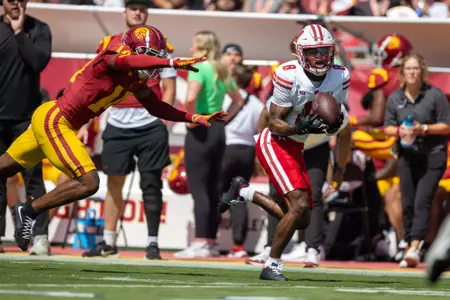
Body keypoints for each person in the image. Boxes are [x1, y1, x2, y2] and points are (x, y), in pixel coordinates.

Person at [3, 24, 226, 252]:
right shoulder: (111, 59)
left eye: (157, 56)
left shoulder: (134, 80)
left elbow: (157, 107)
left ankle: (28, 211)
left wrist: (193, 116)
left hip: (55, 121)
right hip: (56, 121)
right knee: (89, 181)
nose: (153, 61)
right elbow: (130, 62)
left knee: (3, 167)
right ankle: (28, 210)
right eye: (149, 55)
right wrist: (170, 62)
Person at [219, 24, 349, 280]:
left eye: (324, 50)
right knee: (299, 206)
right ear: (301, 53)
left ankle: (244, 191)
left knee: (302, 218)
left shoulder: (341, 75)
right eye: (314, 52)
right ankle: (272, 264)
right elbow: (273, 121)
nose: (321, 57)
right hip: (276, 141)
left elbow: (335, 124)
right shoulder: (289, 74)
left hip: (298, 144)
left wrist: (332, 125)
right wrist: (298, 126)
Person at [81, 0, 176, 260]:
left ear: (147, 13)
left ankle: (153, 244)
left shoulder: (160, 42)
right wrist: (86, 121)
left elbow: (169, 85)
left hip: (150, 123)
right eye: (133, 8)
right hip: (117, 122)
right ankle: (108, 241)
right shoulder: (108, 42)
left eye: (142, 9)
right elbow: (95, 83)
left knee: (151, 183)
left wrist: (164, 119)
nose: (138, 12)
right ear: (124, 12)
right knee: (114, 182)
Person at [174, 31, 244, 258]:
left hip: (202, 126)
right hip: (218, 129)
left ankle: (201, 241)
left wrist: (191, 119)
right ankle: (211, 242)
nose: (191, 46)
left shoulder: (200, 67)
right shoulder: (221, 69)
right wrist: (225, 118)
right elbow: (238, 100)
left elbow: (191, 96)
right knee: (213, 187)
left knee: (199, 188)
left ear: (201, 46)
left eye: (193, 43)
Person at [384, 54, 450, 268]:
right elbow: (387, 128)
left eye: (416, 69)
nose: (412, 72)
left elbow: (446, 126)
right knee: (407, 201)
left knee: (423, 200)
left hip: (433, 155)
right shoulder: (395, 98)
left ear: (422, 72)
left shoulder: (435, 95)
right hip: (407, 154)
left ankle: (414, 246)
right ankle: (406, 244)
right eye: (408, 69)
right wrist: (400, 130)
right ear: (402, 73)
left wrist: (423, 128)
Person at [0, 0, 52, 255]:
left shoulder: (39, 29)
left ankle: (40, 236)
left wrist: (20, 32)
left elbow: (38, 62)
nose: (15, 3)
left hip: (27, 121)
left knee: (34, 179)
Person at [219, 64, 264, 258]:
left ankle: (209, 239)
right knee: (239, 196)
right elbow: (260, 131)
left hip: (227, 148)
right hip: (247, 150)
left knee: (215, 192)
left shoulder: (227, 98)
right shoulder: (257, 104)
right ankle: (238, 245)